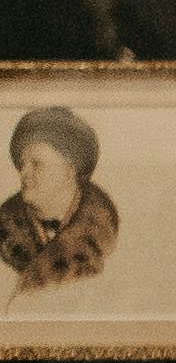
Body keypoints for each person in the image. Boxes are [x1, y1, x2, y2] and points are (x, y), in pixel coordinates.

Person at [0, 105, 117, 299]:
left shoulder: (105, 239)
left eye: (36, 164)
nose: (24, 173)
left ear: (69, 171)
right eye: (22, 164)